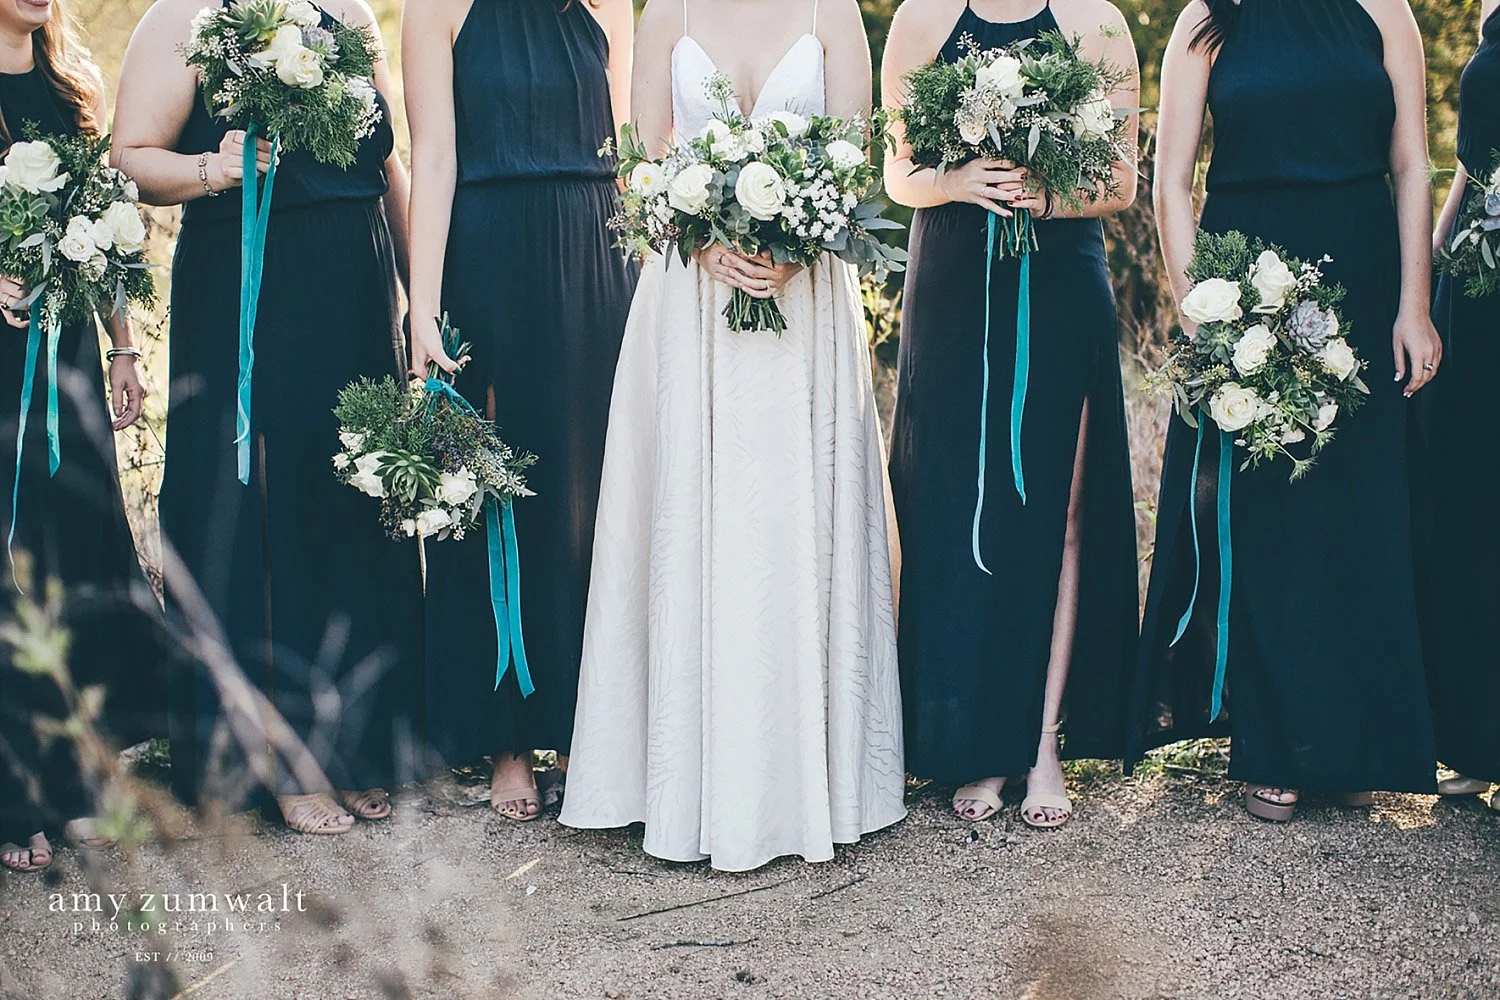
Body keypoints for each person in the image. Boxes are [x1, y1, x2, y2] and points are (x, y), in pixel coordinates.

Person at [559, 0, 908, 871]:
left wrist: (798, 248)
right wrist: (698, 237)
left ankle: (807, 779)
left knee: (794, 519)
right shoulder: (664, 11)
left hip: (805, 302)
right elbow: (639, 167)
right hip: (691, 303)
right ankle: (688, 783)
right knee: (694, 519)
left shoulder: (834, 14)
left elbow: (858, 163)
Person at [112, 0, 425, 835]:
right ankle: (279, 759)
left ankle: (358, 742)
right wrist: (217, 168)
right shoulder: (180, 16)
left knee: (354, 501)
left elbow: (388, 165)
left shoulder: (350, 12)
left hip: (357, 287)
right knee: (267, 506)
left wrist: (421, 293)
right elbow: (132, 157)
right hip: (249, 291)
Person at [1129, 0, 1441, 821]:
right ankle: (1272, 745)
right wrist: (1200, 305)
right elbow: (1171, 178)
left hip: (1365, 280)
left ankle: (1352, 744)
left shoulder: (1385, 11)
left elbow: (1412, 164)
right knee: (1270, 519)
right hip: (1248, 282)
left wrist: (1415, 303)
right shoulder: (1206, 19)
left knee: (1355, 516)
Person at [883, 0, 1140, 829]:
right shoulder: (922, 19)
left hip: (1062, 280)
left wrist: (1045, 193)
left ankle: (1042, 742)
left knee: (1057, 515)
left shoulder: (1097, 20)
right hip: (956, 280)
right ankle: (971, 741)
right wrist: (958, 181)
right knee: (956, 504)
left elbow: (1123, 180)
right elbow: (897, 173)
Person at [403, 0, 638, 822]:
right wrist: (422, 307)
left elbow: (634, 151)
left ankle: (586, 720)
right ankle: (507, 738)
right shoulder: (435, 8)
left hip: (598, 256)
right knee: (496, 496)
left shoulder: (607, 3)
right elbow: (432, 159)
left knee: (591, 495)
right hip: (490, 255)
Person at [0, 0, 164, 873]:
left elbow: (99, 235)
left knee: (71, 557)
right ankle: (12, 800)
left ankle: (76, 786)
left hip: (64, 362)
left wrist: (125, 346)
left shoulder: (69, 93)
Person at [1423, 0, 1500, 813]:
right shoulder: (1490, 13)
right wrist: (1429, 267)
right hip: (1478, 289)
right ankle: (1477, 736)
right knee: (1471, 504)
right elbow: (1472, 163)